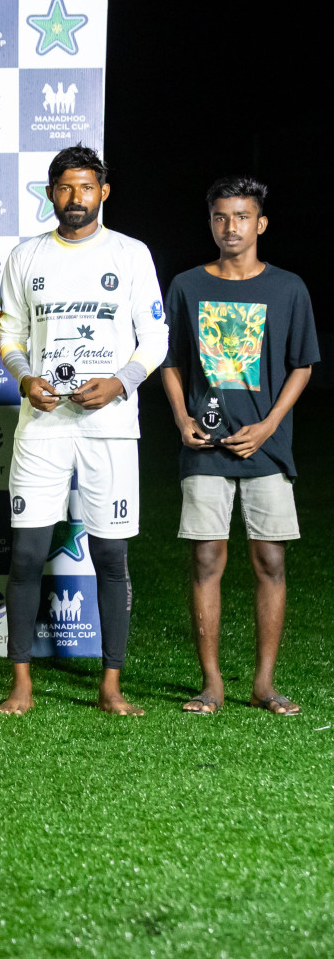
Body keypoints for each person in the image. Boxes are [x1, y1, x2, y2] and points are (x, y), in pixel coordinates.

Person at [0, 146, 167, 716]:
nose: (76, 198)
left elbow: (156, 340)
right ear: (51, 194)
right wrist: (23, 379)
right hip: (43, 425)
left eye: (86, 188)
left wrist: (120, 382)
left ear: (104, 192)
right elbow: (10, 336)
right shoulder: (26, 256)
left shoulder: (131, 254)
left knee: (112, 557)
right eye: (65, 189)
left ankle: (110, 684)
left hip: (110, 427)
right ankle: (21, 681)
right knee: (26, 555)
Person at [161, 176, 318, 716]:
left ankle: (264, 684)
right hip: (205, 447)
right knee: (206, 557)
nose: (232, 227)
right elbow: (172, 361)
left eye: (242, 217)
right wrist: (182, 419)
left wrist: (271, 424)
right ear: (211, 223)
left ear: (261, 223)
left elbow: (302, 365)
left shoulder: (288, 288)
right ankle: (211, 684)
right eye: (221, 217)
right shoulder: (186, 285)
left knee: (270, 559)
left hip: (266, 449)